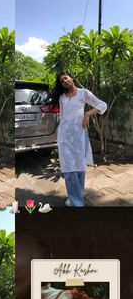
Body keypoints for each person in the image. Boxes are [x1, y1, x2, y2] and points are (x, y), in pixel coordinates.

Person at [52, 72, 107, 206]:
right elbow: (63, 117)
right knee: (68, 168)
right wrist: (59, 135)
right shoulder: (62, 98)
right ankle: (77, 202)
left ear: (72, 78)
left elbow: (102, 105)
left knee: (80, 167)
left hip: (79, 135)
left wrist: (88, 113)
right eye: (61, 81)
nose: (64, 81)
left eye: (66, 78)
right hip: (65, 137)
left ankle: (77, 196)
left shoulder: (83, 93)